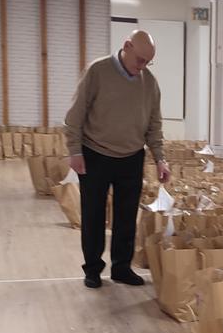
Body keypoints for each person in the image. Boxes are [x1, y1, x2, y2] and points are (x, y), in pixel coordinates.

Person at [64, 29, 170, 289]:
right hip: (94, 154)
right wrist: (75, 151)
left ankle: (121, 268)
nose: (142, 66)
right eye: (140, 60)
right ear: (127, 46)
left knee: (126, 217)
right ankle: (92, 269)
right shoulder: (97, 72)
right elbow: (75, 115)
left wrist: (160, 158)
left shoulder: (150, 83)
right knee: (93, 216)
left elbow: (154, 125)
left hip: (131, 158)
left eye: (148, 62)